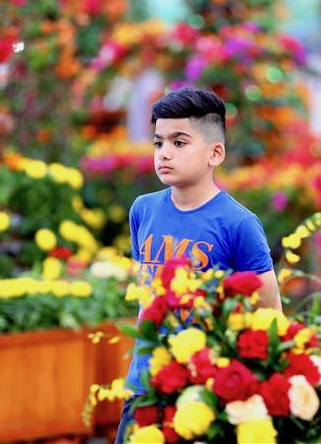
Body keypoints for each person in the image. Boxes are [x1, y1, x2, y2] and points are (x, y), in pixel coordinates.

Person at [114, 87, 281, 443]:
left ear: (215, 153)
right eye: (158, 143)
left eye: (179, 142)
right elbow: (147, 298)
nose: (165, 154)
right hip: (145, 384)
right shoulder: (143, 210)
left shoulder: (239, 224)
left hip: (205, 395)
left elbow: (270, 314)